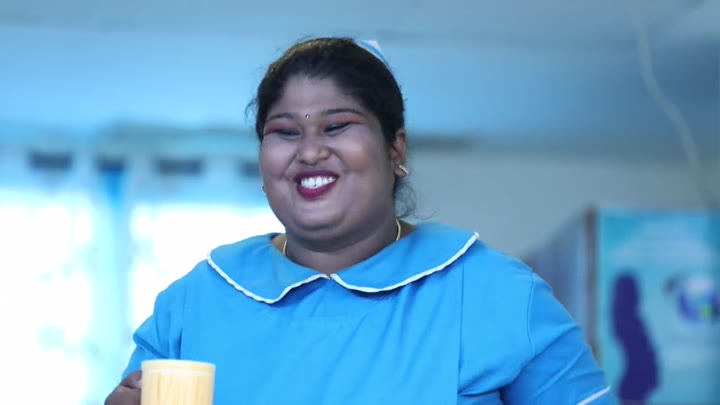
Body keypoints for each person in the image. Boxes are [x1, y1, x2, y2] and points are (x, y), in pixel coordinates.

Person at [106, 37, 615, 404]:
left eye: (338, 126)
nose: (309, 151)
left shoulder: (495, 293)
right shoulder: (196, 303)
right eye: (284, 132)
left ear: (396, 149)